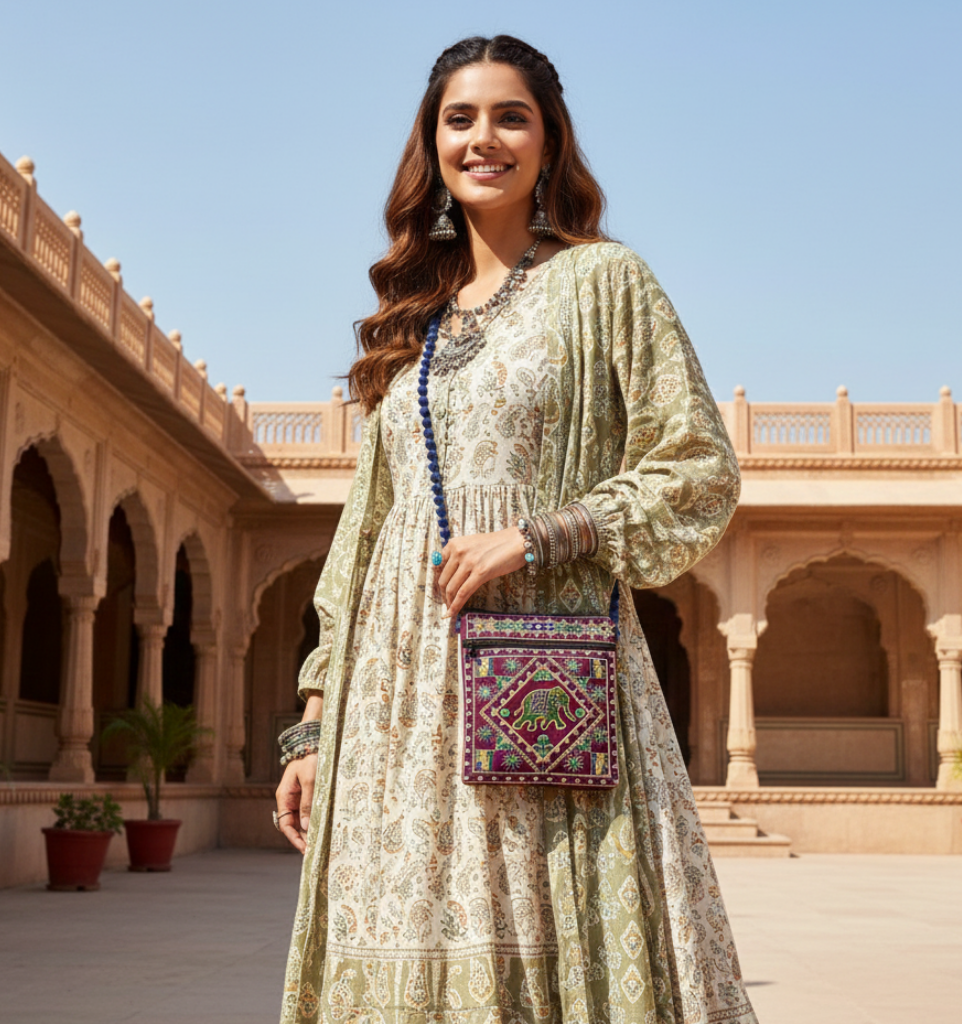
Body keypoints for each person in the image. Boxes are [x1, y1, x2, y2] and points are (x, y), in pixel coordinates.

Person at [274, 34, 757, 1024]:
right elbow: (362, 536)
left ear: (547, 141)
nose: (482, 138)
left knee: (546, 930)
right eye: (460, 118)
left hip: (543, 665)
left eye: (509, 116)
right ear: (431, 142)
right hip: (397, 702)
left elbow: (699, 467)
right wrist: (314, 725)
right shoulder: (414, 320)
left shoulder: (603, 281)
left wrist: (543, 534)